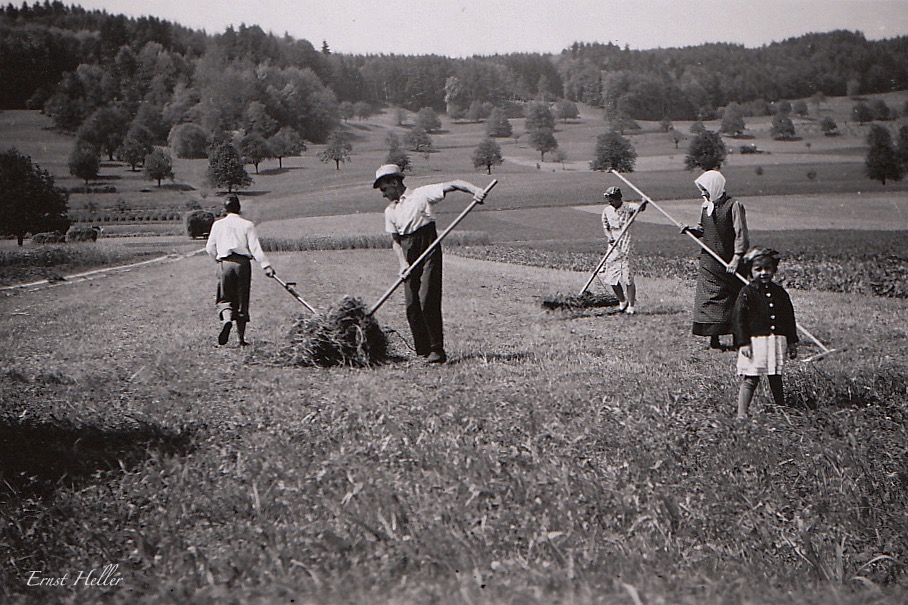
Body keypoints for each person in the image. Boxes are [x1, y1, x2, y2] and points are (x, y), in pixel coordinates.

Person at [373, 164, 487, 364]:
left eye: (384, 189)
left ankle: (437, 350)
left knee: (427, 299)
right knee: (412, 305)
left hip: (428, 247)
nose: (383, 194)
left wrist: (475, 190)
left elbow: (454, 184)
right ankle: (423, 351)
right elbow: (395, 241)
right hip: (408, 253)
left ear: (394, 182)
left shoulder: (421, 195)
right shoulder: (390, 211)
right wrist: (402, 264)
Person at [682, 169, 750, 350]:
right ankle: (714, 339)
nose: (703, 193)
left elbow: (741, 234)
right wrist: (691, 230)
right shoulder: (706, 206)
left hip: (729, 263)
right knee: (709, 300)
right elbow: (702, 228)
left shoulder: (733, 206)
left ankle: (738, 339)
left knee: (734, 300)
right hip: (709, 262)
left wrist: (736, 259)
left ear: (715, 187)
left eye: (705, 189)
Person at [733, 247, 799, 418]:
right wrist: (744, 342)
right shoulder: (747, 293)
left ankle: (780, 407)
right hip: (756, 343)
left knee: (775, 374)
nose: (764, 273)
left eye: (768, 269)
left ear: (774, 270)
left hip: (776, 341)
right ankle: (742, 412)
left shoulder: (780, 293)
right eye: (758, 269)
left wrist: (792, 342)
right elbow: (739, 320)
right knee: (751, 376)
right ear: (750, 271)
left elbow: (788, 319)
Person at [205, 195, 275, 346]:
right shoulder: (247, 225)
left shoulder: (217, 225)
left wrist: (218, 259)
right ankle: (241, 339)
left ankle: (227, 320)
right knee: (242, 299)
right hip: (243, 264)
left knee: (225, 297)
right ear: (239, 208)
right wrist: (266, 266)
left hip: (225, 263)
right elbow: (255, 248)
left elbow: (209, 247)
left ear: (225, 209)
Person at [600, 186, 646, 314]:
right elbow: (606, 227)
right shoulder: (607, 211)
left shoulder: (628, 206)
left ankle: (631, 306)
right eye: (609, 200)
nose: (610, 202)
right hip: (613, 245)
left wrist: (643, 202)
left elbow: (640, 208)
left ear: (618, 198)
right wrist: (609, 238)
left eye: (612, 200)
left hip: (626, 243)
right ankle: (622, 301)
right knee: (611, 277)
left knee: (628, 277)